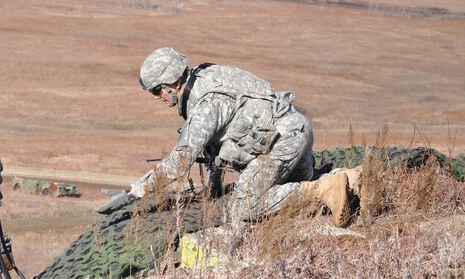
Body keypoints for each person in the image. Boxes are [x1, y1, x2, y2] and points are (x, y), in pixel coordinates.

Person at [96, 47, 355, 227]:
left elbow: (178, 162)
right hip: (295, 131)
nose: (157, 98)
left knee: (244, 206)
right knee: (287, 189)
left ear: (171, 84)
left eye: (156, 91)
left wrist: (134, 193)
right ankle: (349, 179)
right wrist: (215, 181)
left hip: (281, 145)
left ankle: (323, 189)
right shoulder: (206, 75)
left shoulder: (206, 107)